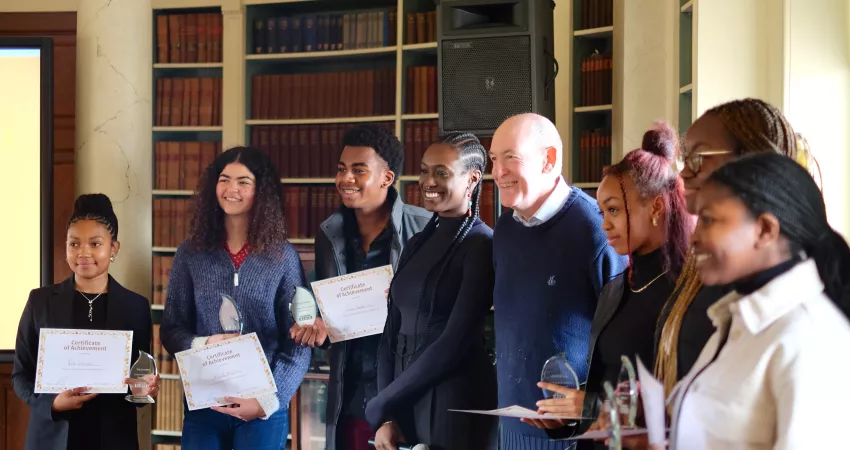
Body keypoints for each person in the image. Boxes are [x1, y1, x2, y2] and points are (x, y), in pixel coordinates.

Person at [524, 123, 693, 447]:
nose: (604, 224)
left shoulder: (688, 294)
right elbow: (602, 389)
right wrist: (565, 417)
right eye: (602, 211)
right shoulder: (617, 287)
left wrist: (588, 406)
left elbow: (681, 406)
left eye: (614, 210)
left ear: (656, 206)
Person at [668, 152, 850, 449]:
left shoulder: (810, 341)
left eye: (709, 219)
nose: (693, 237)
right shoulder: (740, 320)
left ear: (765, 229)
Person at [653, 98, 819, 397]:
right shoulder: (710, 264)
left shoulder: (798, 299)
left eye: (699, 158)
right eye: (684, 159)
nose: (683, 174)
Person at [488, 112, 629, 449]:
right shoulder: (505, 229)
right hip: (510, 428)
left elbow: (623, 345)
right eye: (493, 159)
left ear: (549, 160)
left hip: (572, 435)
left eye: (510, 158)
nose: (497, 172)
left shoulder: (595, 230)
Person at [289, 124, 432, 450]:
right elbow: (325, 309)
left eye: (358, 170)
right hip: (350, 397)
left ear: (387, 178)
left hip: (404, 397)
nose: (345, 179)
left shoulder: (424, 228)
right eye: (341, 169)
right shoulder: (329, 234)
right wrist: (319, 326)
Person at [160, 146, 310, 450]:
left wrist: (269, 400)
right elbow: (171, 329)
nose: (232, 189)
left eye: (244, 181)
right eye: (224, 179)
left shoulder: (282, 257)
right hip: (205, 404)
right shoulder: (190, 253)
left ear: (262, 191)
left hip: (262, 404)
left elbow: (299, 342)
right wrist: (203, 344)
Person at [366, 132, 499, 450]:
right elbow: (390, 331)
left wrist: (383, 402)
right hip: (402, 396)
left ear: (472, 179)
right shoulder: (416, 242)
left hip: (454, 400)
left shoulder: (482, 245)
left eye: (442, 172)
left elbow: (453, 343)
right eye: (425, 170)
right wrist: (386, 413)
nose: (428, 181)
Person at [12, 193, 158, 450]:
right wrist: (52, 403)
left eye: (95, 243)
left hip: (113, 438)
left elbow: (138, 387)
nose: (83, 253)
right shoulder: (40, 301)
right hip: (52, 437)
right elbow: (21, 375)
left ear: (113, 248)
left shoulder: (135, 307)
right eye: (74, 244)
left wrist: (143, 391)